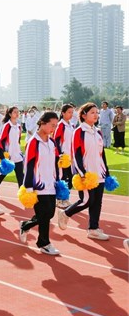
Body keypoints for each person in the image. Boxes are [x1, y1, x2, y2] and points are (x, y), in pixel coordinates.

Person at [58, 103, 111, 241]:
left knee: (97, 202)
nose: (96, 115)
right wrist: (82, 173)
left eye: (97, 112)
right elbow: (76, 155)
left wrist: (107, 172)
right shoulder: (79, 132)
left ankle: (93, 229)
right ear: (83, 115)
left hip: (99, 173)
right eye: (92, 112)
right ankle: (66, 213)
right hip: (86, 174)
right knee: (87, 200)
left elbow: (102, 154)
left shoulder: (98, 131)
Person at [19, 112, 61, 255]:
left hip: (51, 183)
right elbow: (29, 166)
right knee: (44, 214)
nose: (53, 128)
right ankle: (44, 243)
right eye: (51, 125)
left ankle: (26, 225)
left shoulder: (52, 142)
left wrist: (58, 179)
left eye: (55, 126)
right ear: (42, 123)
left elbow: (55, 163)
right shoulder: (33, 142)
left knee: (49, 213)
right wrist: (29, 187)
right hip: (38, 185)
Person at [0, 106, 24, 188]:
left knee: (20, 176)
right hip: (9, 155)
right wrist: (3, 154)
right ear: (10, 114)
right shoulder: (7, 125)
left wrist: (19, 152)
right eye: (15, 112)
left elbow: (18, 140)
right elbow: (2, 140)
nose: (17, 113)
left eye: (18, 112)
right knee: (1, 174)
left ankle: (22, 194)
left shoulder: (18, 126)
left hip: (17, 155)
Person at [53, 103, 76, 208]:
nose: (71, 114)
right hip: (62, 156)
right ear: (63, 113)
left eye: (72, 112)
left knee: (69, 178)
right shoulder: (61, 125)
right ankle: (60, 199)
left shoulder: (70, 125)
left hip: (70, 156)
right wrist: (60, 154)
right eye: (69, 112)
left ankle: (65, 198)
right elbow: (56, 139)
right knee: (63, 177)